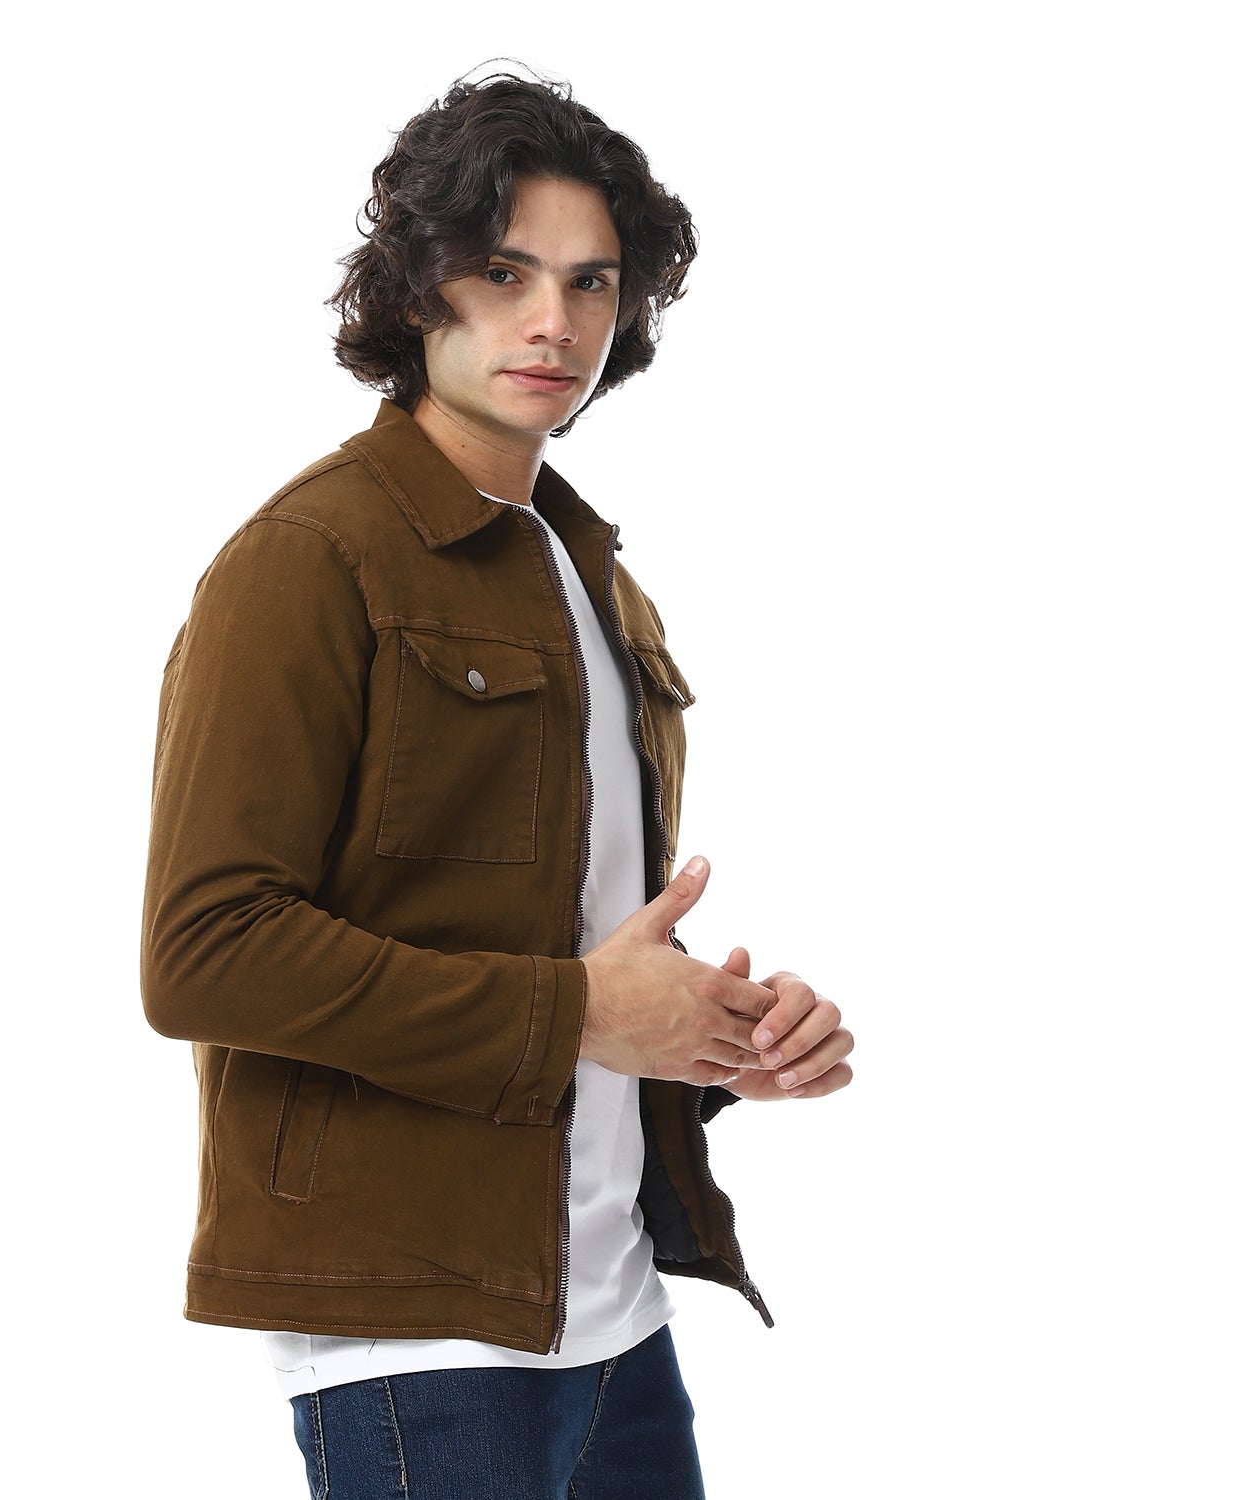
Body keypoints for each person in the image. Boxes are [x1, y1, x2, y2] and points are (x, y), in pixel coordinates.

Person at [141, 69, 854, 1500]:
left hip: (614, 1314)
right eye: (504, 272)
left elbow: (554, 947)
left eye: (593, 283)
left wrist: (715, 1038)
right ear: (417, 289)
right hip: (415, 1332)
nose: (555, 324)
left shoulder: (586, 575)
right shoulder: (308, 561)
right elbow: (203, 955)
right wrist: (584, 1010)